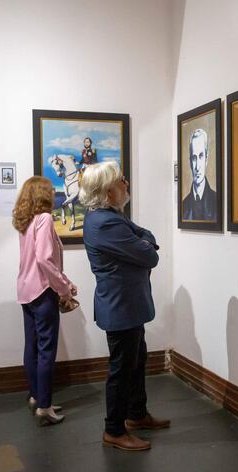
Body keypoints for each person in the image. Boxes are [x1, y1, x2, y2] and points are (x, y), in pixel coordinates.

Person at [79, 161, 170, 451]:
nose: (126, 184)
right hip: (121, 307)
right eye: (121, 180)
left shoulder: (111, 217)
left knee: (137, 360)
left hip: (127, 305)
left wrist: (145, 241)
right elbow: (151, 256)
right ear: (107, 192)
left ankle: (137, 414)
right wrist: (145, 244)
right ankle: (114, 430)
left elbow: (145, 234)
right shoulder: (106, 222)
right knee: (122, 369)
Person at [13, 176, 78, 426]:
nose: (53, 193)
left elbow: (37, 260)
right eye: (50, 190)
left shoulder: (26, 221)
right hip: (42, 292)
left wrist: (65, 281)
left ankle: (36, 396)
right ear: (43, 194)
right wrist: (63, 289)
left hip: (25, 289)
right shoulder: (44, 219)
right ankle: (45, 407)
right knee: (46, 350)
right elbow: (43, 260)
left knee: (31, 346)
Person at [182, 128, 218, 220]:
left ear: (206, 159)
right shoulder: (183, 206)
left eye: (201, 156)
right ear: (190, 162)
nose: (197, 167)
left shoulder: (217, 201)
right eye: (194, 158)